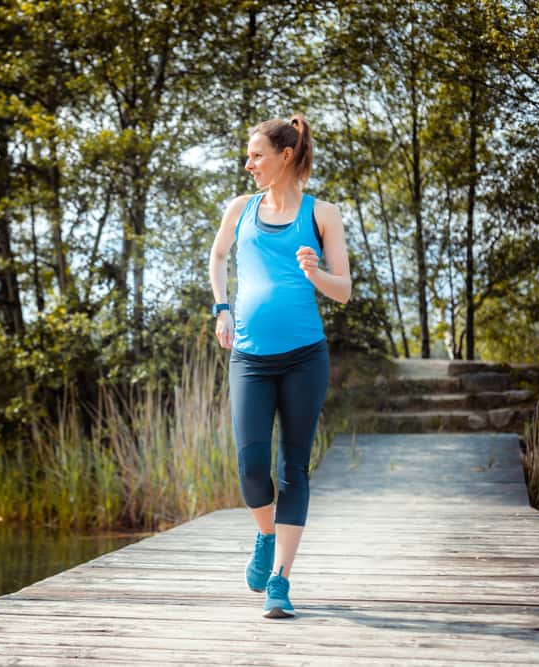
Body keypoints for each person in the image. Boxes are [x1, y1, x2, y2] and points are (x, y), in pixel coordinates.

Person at [208, 114, 351, 619]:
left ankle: (280, 579)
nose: (248, 164)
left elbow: (345, 291)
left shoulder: (323, 214)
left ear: (284, 156)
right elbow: (218, 256)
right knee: (251, 468)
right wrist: (221, 307)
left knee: (293, 468)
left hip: (305, 358)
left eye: (256, 155)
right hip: (249, 356)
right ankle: (265, 535)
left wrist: (316, 273)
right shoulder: (241, 209)